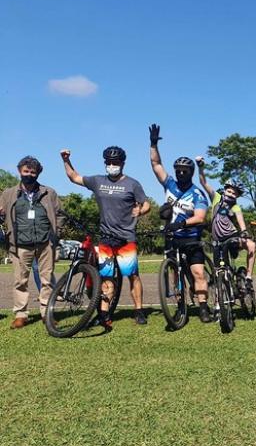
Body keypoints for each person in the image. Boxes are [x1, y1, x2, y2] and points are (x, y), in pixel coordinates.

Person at [62, 146, 150, 327]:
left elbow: (146, 204)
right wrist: (65, 160)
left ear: (122, 163)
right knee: (106, 277)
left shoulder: (132, 184)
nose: (112, 165)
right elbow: (74, 177)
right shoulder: (97, 181)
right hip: (105, 239)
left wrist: (139, 211)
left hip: (126, 239)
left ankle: (139, 311)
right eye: (108, 162)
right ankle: (103, 314)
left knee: (132, 275)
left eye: (115, 162)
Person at [149, 123, 213, 322]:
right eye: (178, 170)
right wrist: (153, 144)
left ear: (191, 172)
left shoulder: (197, 193)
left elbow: (200, 217)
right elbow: (156, 165)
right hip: (172, 239)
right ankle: (180, 305)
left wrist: (182, 224)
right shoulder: (169, 184)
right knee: (175, 275)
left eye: (185, 170)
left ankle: (203, 308)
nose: (181, 173)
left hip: (191, 238)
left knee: (198, 273)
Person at [0, 156, 63, 329]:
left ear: (38, 173)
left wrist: (55, 234)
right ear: (20, 171)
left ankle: (46, 313)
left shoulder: (49, 192)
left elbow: (60, 214)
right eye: (26, 171)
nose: (29, 174)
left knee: (47, 280)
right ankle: (21, 315)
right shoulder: (8, 194)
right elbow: (2, 214)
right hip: (20, 244)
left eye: (32, 172)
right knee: (20, 281)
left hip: (45, 243)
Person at [195, 157, 256, 284]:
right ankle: (221, 299)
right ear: (224, 190)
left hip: (232, 236)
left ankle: (249, 276)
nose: (230, 195)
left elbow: (240, 220)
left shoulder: (235, 206)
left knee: (251, 245)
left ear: (237, 196)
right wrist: (200, 167)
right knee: (219, 271)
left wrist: (244, 231)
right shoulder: (216, 198)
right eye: (229, 191)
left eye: (234, 194)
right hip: (217, 240)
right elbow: (203, 182)